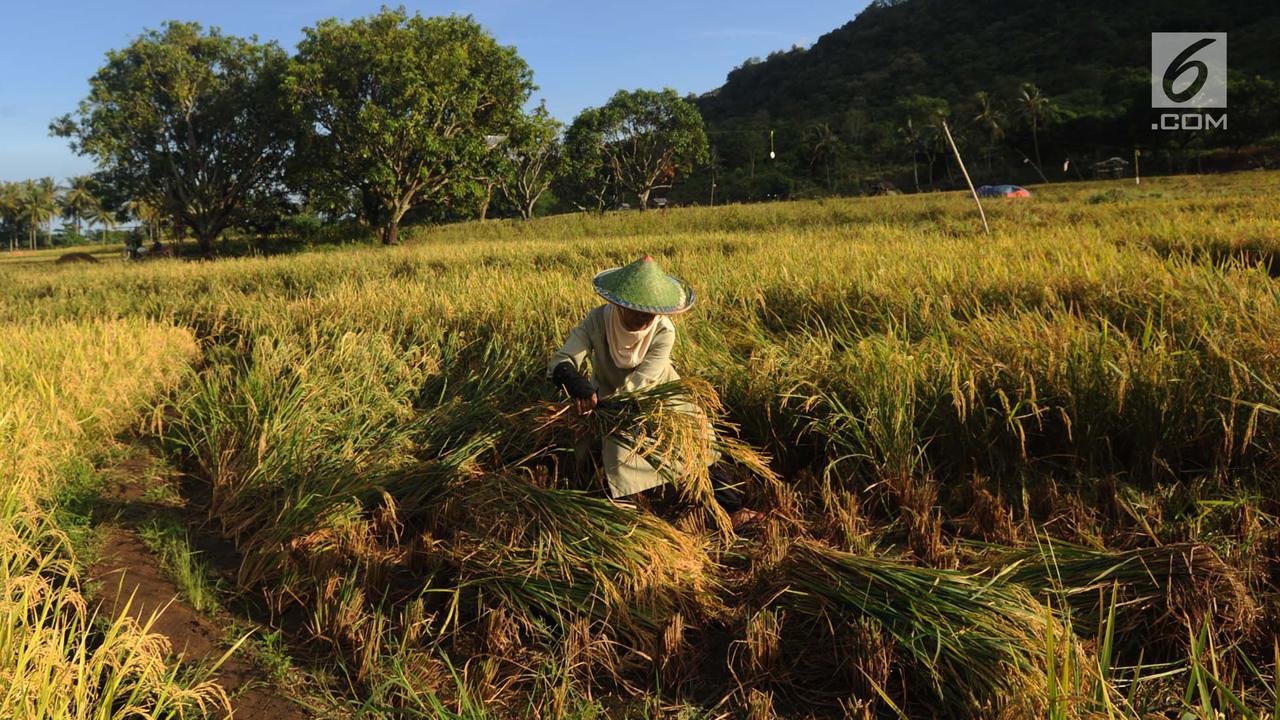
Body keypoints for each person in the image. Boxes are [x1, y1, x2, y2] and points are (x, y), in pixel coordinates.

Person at [547, 255, 762, 528]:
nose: (644, 319)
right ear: (618, 304)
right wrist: (576, 383)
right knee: (605, 456)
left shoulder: (663, 330)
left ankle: (732, 509)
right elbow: (563, 358)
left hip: (661, 397)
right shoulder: (598, 320)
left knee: (695, 447)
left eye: (650, 312)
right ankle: (627, 519)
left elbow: (643, 382)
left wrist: (606, 406)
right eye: (637, 311)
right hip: (605, 397)